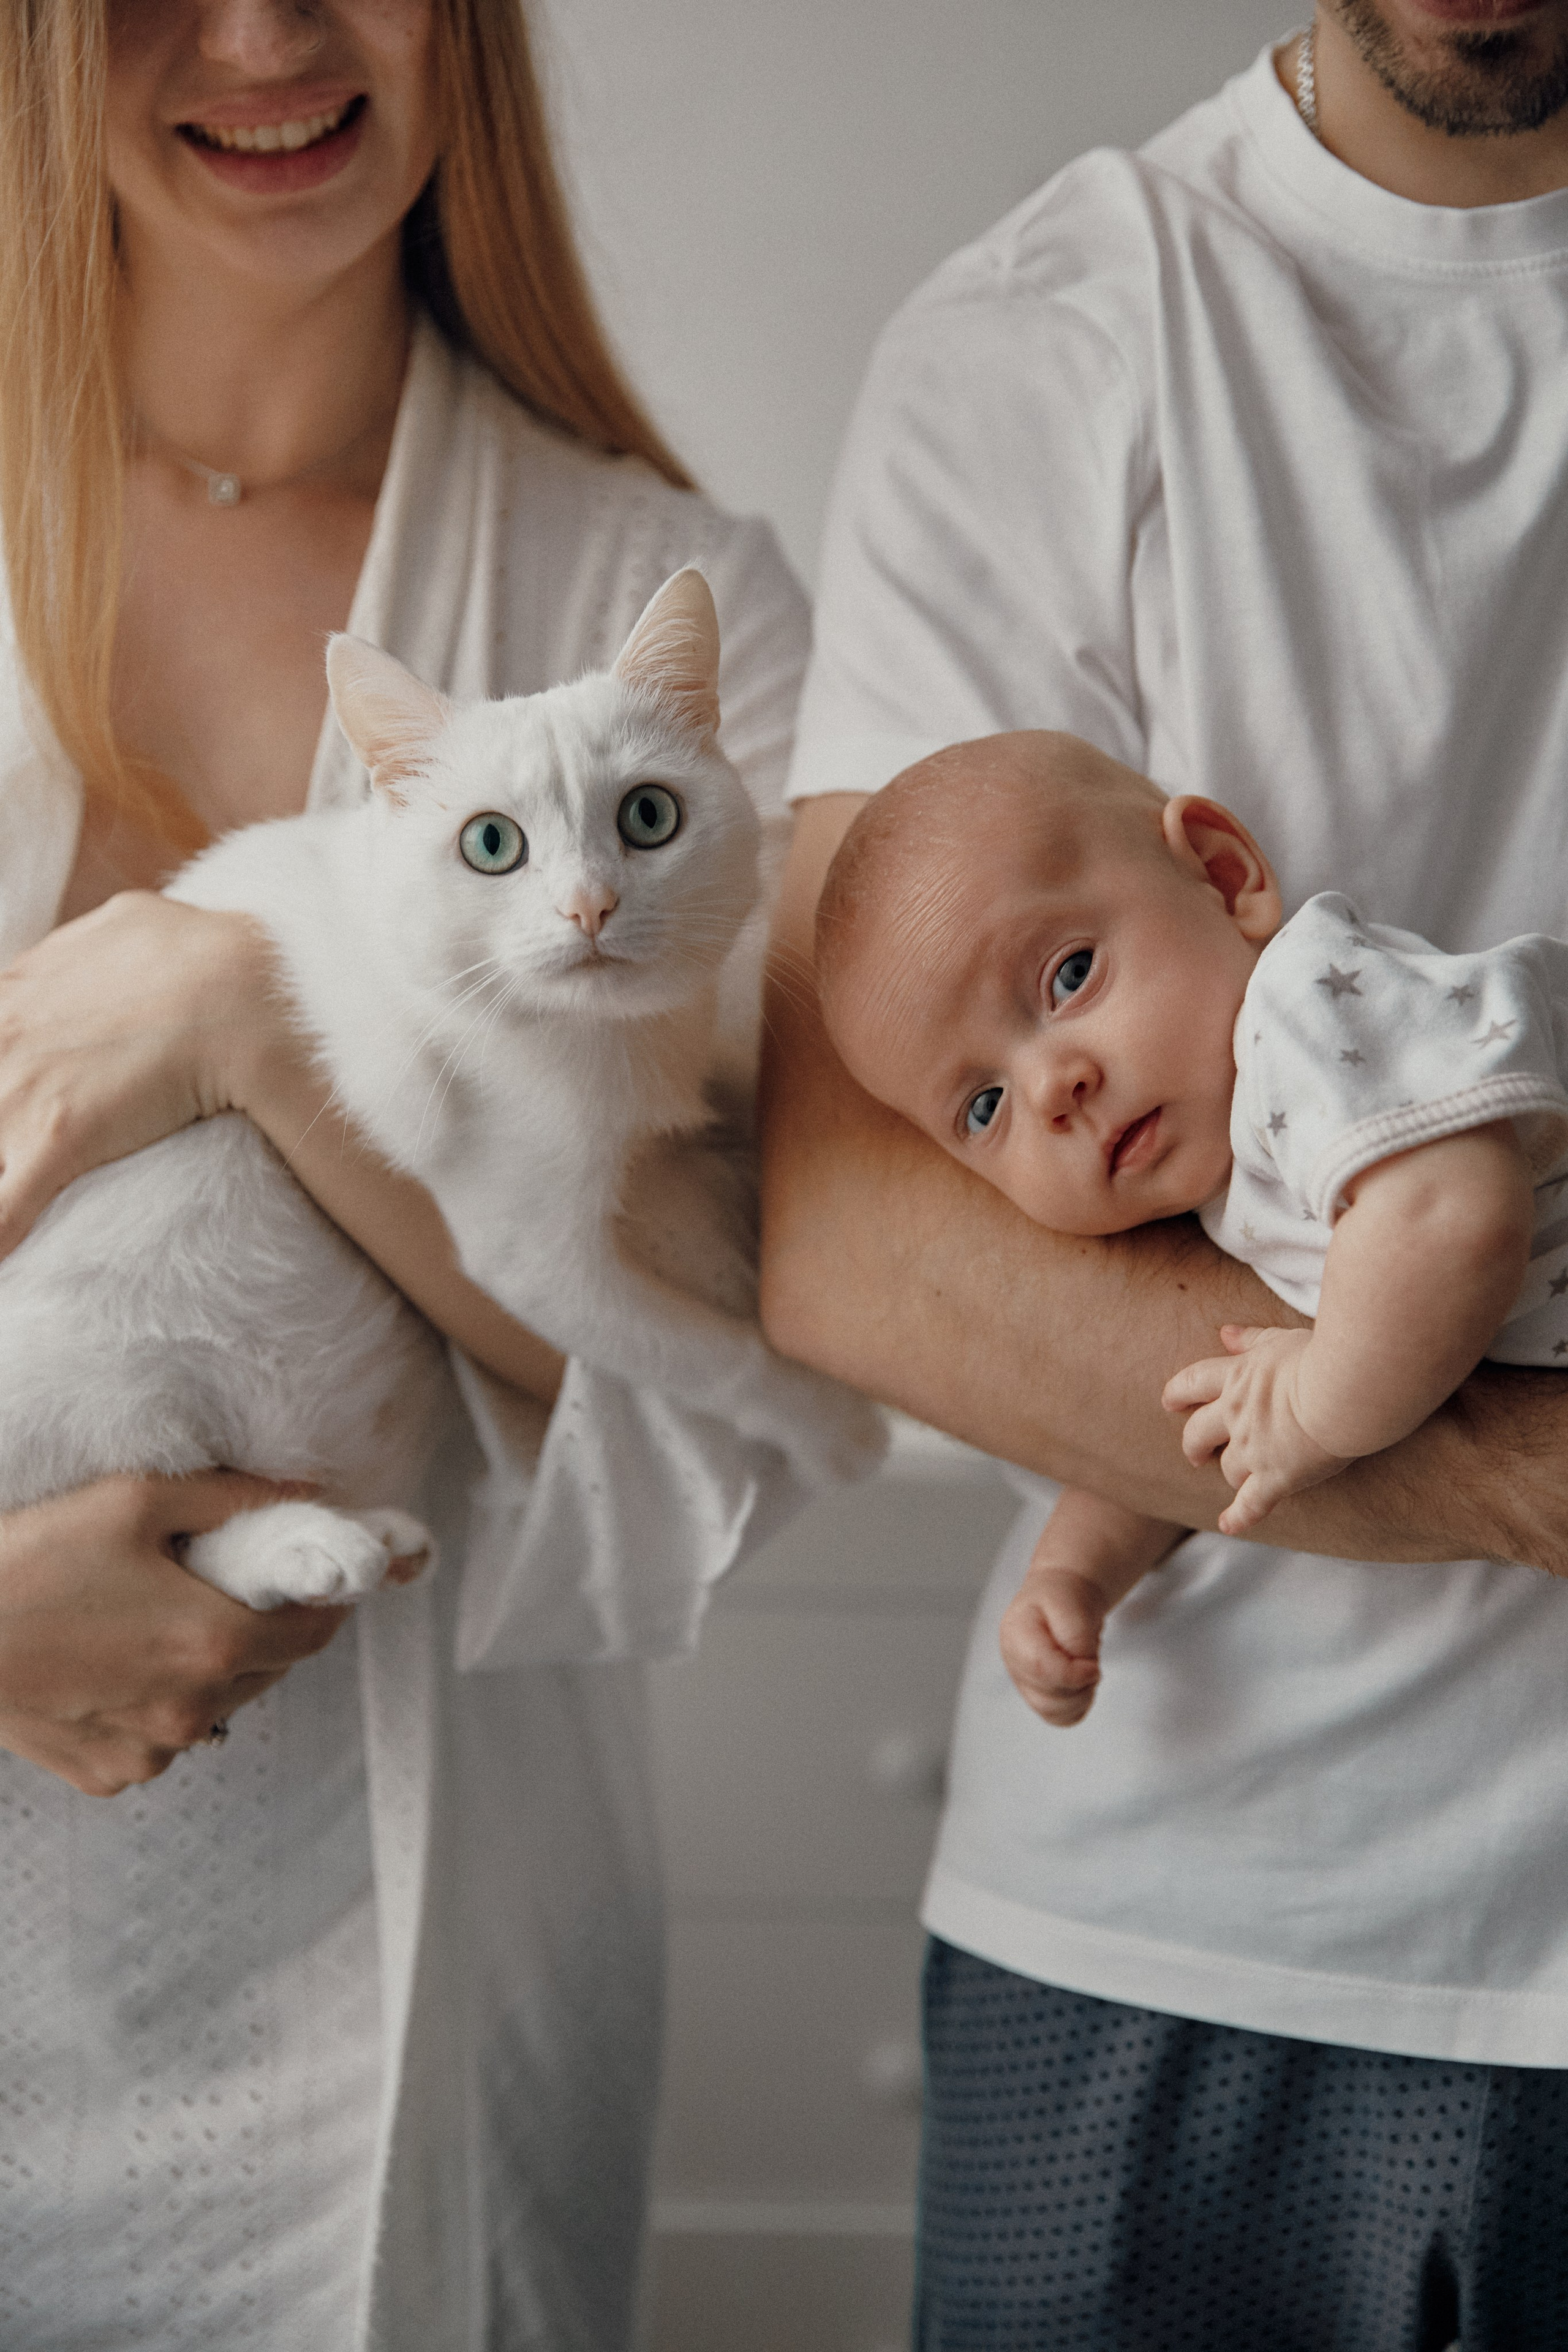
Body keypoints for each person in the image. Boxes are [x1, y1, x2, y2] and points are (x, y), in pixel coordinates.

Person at [0, 3, 812, 2344]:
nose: (263, 36)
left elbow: (746, 1374)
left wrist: (252, 1025)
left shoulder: (676, 610)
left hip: (426, 1978)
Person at [761, 4, 1568, 2342]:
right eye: (1005, 1082)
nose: (1056, 1094)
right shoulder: (1052, 339)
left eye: (1079, 988)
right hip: (1189, 1939)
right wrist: (1505, 1481)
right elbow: (855, 1209)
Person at [816, 734, 1568, 1726]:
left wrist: (1314, 1411)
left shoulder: (1307, 1014)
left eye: (1069, 974)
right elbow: (1216, 1421)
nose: (1051, 1088)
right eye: (984, 1108)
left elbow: (1450, 1217)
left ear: (1222, 874)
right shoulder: (1222, 1190)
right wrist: (1075, 1573)